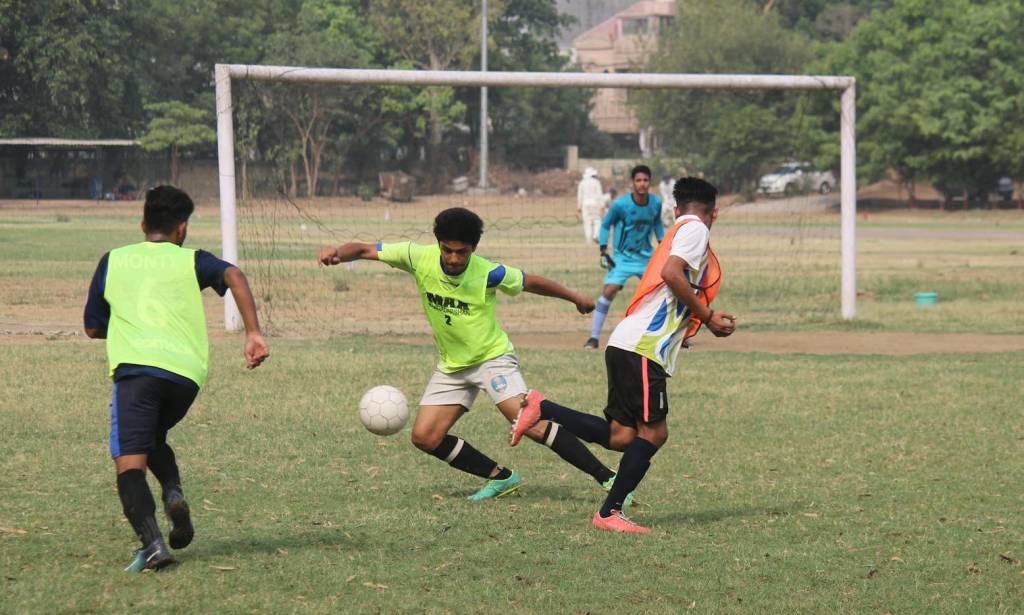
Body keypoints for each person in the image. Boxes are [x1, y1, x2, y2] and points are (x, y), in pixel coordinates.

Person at [317, 207, 627, 502]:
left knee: (527, 421)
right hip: (453, 367)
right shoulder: (417, 256)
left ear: (473, 249)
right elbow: (362, 249)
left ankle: (609, 478)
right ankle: (501, 477)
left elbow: (531, 282)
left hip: (492, 359)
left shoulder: (488, 273)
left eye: (461, 252)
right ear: (438, 244)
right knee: (425, 437)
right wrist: (337, 253)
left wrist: (574, 297)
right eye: (447, 250)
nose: (452, 258)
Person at [513, 177, 737, 533]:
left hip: (627, 343)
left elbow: (670, 284)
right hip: (642, 348)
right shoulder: (695, 229)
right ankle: (609, 512)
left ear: (675, 208)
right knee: (654, 433)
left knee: (621, 437)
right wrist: (708, 317)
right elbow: (671, 274)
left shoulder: (679, 228)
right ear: (715, 212)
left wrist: (694, 322)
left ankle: (543, 407)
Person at [84, 186, 270, 571]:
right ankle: (172, 493)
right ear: (181, 229)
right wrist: (253, 332)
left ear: (142, 224)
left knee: (129, 462)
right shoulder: (192, 261)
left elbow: (92, 328)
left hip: (137, 372)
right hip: (186, 376)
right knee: (152, 438)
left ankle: (154, 546)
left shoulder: (113, 260)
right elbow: (234, 274)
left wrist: (126, 327)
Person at [584, 165, 664, 349]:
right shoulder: (620, 205)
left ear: (650, 182)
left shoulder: (656, 203)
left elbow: (657, 224)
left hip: (646, 258)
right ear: (632, 183)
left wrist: (663, 245)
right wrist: (603, 250)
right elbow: (605, 226)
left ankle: (665, 335)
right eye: (638, 180)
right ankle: (594, 337)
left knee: (660, 294)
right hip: (622, 258)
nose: (642, 184)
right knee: (609, 291)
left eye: (645, 180)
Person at [576, 167, 605, 244]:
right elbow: (599, 195)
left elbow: (580, 196)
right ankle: (595, 235)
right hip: (595, 203)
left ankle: (588, 240)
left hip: (585, 204)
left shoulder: (582, 183)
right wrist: (602, 206)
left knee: (587, 222)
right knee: (597, 221)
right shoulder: (596, 182)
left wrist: (579, 207)